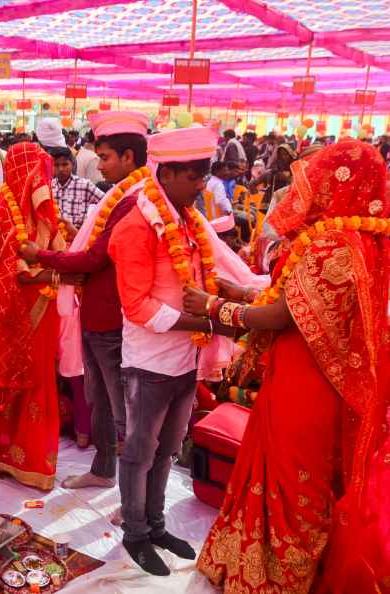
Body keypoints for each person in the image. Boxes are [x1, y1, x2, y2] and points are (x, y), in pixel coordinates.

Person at [194, 140, 390, 593]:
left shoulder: (331, 244)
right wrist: (241, 293)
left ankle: (280, 578)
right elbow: (289, 300)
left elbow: (281, 316)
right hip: (327, 380)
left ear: (339, 184)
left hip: (305, 382)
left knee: (291, 480)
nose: (309, 188)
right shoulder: (371, 241)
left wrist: (215, 307)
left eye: (318, 178)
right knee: (311, 480)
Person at [108, 126, 265, 576]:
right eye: (194, 176)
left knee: (169, 447)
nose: (202, 186)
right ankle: (135, 533)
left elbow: (203, 282)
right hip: (149, 363)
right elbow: (137, 306)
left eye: (203, 175)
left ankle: (155, 524)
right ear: (168, 173)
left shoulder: (188, 221)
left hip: (185, 360)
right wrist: (208, 321)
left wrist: (224, 305)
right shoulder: (136, 227)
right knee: (139, 451)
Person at [20, 111, 150, 491]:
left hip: (111, 316)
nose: (101, 165)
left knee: (122, 407)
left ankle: (133, 498)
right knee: (102, 402)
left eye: (106, 157)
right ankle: (104, 469)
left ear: (129, 158)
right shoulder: (119, 195)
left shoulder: (133, 201)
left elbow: (96, 258)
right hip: (96, 313)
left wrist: (40, 255)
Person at [0, 142, 66, 491]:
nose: (43, 180)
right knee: (8, 378)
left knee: (39, 379)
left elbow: (58, 251)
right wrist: (55, 274)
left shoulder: (43, 210)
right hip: (6, 312)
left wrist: (57, 270)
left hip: (42, 307)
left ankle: (34, 460)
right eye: (39, 172)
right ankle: (3, 456)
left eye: (46, 172)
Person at [49, 146, 104, 229]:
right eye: (56, 165)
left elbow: (107, 202)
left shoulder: (85, 185)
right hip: (56, 238)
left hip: (78, 236)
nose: (60, 169)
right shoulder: (48, 187)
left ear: (72, 164)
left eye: (65, 164)